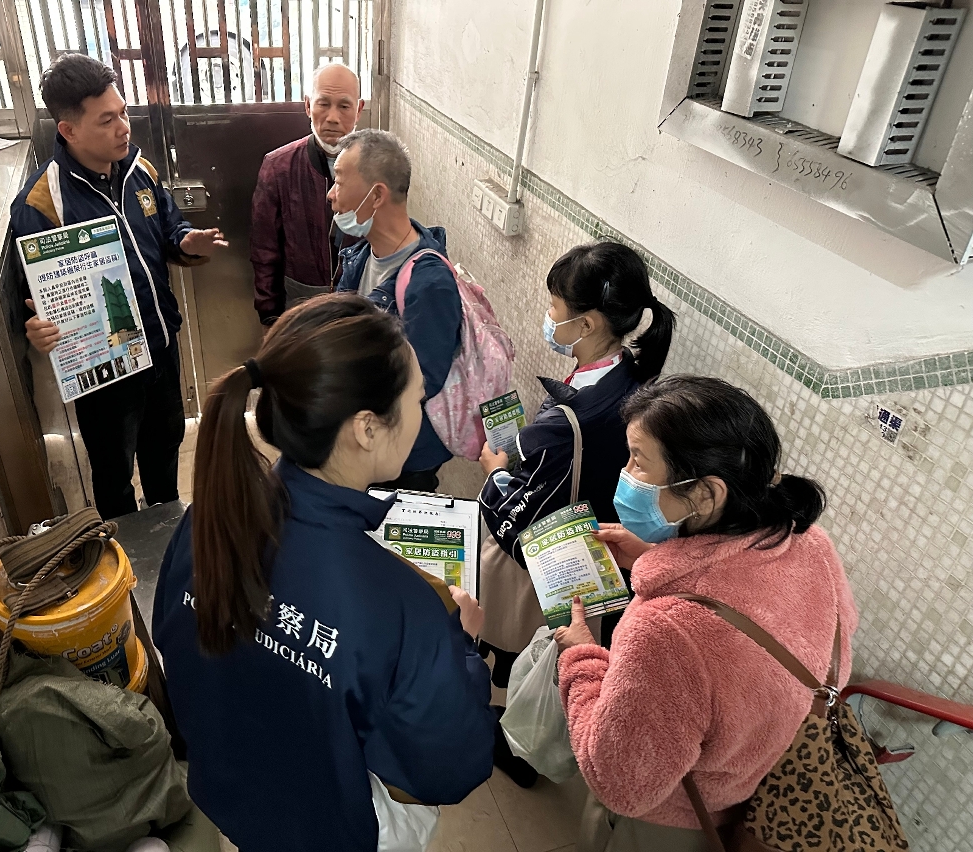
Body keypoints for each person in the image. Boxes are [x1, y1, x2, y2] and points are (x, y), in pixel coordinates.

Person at [153, 294, 494, 852]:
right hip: (325, 826)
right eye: (418, 398)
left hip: (230, 798)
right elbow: (449, 766)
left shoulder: (208, 521)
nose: (423, 412)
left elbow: (177, 644)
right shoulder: (402, 607)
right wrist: (462, 650)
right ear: (367, 428)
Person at [553, 376, 858, 852]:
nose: (625, 472)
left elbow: (621, 784)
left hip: (677, 824)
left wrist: (582, 657)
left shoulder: (668, 631)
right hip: (764, 788)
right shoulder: (809, 544)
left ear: (705, 494)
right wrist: (659, 556)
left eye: (638, 460)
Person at [11, 54, 226, 520]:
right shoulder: (42, 204)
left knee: (164, 449)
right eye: (106, 120)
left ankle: (166, 526)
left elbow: (169, 230)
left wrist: (187, 241)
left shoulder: (139, 170)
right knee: (113, 472)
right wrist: (36, 327)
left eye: (123, 113)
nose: (123, 127)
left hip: (161, 347)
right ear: (68, 130)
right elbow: (31, 298)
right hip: (105, 372)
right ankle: (125, 549)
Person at [478, 242, 675, 677]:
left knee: (523, 673)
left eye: (554, 306)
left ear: (586, 323)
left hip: (559, 575)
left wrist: (495, 475)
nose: (548, 316)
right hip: (604, 562)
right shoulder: (631, 373)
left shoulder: (567, 425)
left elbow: (521, 529)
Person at [331, 129, 462, 492]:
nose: (331, 194)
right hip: (366, 437)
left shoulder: (429, 284)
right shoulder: (361, 254)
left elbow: (419, 381)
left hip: (403, 457)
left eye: (339, 181)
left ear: (376, 195)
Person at [251, 63, 364, 325]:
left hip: (362, 302)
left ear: (359, 109)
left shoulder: (377, 166)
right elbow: (264, 250)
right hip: (300, 302)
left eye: (344, 106)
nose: (333, 117)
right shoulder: (278, 167)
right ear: (307, 105)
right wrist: (269, 316)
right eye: (323, 104)